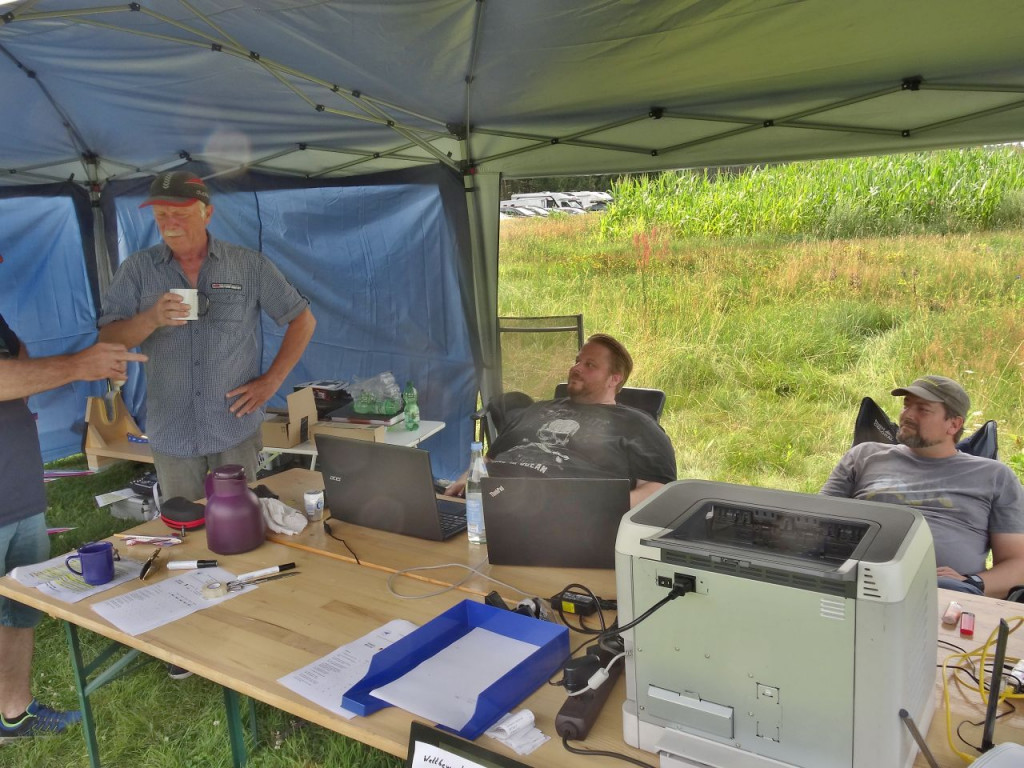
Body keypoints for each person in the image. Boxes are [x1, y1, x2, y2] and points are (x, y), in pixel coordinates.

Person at [98, 171, 316, 503]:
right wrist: (151, 319)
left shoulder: (248, 265)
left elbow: (303, 319)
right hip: (172, 433)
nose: (170, 224)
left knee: (239, 519)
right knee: (185, 524)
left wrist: (271, 382)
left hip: (233, 428)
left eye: (180, 214)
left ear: (207, 214)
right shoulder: (137, 270)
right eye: (161, 215)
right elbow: (109, 341)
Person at [0, 312, 146, 741]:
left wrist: (28, 376)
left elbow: (21, 366)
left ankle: (13, 713)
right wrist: (80, 364)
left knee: (19, 609)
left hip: (19, 489)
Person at [821, 375, 1024, 597]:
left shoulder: (995, 476)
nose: (907, 415)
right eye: (906, 405)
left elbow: (1017, 563)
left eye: (923, 409)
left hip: (942, 594)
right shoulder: (864, 456)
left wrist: (973, 582)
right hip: (852, 582)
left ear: (954, 424)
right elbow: (815, 521)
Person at [446, 333, 676, 508]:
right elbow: (488, 459)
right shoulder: (538, 409)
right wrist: (466, 480)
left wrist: (606, 508)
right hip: (486, 503)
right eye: (577, 361)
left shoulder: (637, 424)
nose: (576, 368)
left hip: (559, 514)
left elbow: (658, 488)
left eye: (590, 365)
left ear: (614, 379)